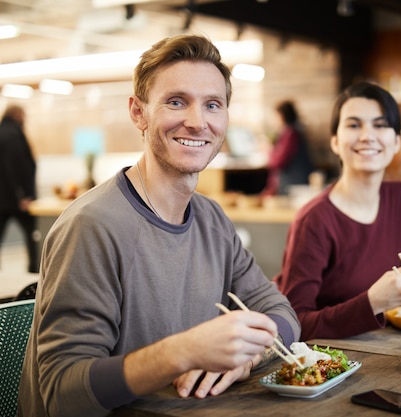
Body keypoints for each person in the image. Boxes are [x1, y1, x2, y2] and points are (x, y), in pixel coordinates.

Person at [17, 34, 301, 417]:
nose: (197, 122)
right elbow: (63, 394)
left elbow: (281, 313)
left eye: (212, 105)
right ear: (138, 112)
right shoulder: (92, 225)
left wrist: (245, 359)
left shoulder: (212, 218)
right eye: (176, 101)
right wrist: (182, 351)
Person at [274, 81, 401, 341]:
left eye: (380, 125)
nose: (367, 136)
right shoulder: (315, 219)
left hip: (395, 352)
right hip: (332, 365)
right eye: (353, 125)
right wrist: (371, 304)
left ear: (396, 142)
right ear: (335, 142)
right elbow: (295, 323)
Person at [0, 104, 39, 273]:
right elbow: (15, 166)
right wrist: (22, 195)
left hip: (3, 198)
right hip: (16, 200)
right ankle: (34, 272)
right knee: (33, 236)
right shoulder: (14, 135)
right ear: (17, 115)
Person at [262, 100, 314, 196]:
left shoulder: (291, 134)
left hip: (293, 186)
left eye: (275, 116)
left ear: (282, 116)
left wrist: (269, 150)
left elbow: (279, 161)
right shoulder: (290, 132)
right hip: (293, 183)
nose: (274, 120)